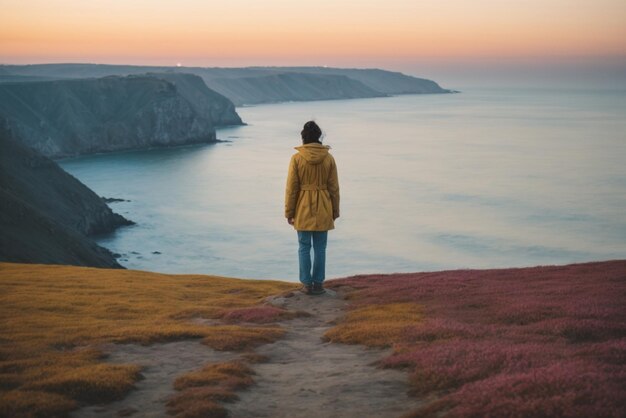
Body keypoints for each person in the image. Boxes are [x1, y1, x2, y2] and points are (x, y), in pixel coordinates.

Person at [285, 121, 340, 295]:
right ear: (318, 137)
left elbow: (291, 188)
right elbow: (334, 188)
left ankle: (306, 284)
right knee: (320, 247)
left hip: (302, 206)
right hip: (324, 205)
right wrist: (335, 210)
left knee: (303, 246)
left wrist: (289, 212)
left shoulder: (297, 158)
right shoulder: (329, 158)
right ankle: (319, 283)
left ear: (303, 137)